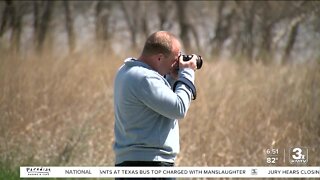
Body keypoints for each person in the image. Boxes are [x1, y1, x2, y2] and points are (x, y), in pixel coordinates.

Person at [113, 31, 198, 180]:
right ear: (159, 58)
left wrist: (172, 78)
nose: (176, 63)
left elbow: (160, 104)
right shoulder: (145, 78)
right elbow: (178, 109)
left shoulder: (126, 71)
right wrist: (187, 74)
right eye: (174, 59)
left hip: (130, 164)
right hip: (150, 166)